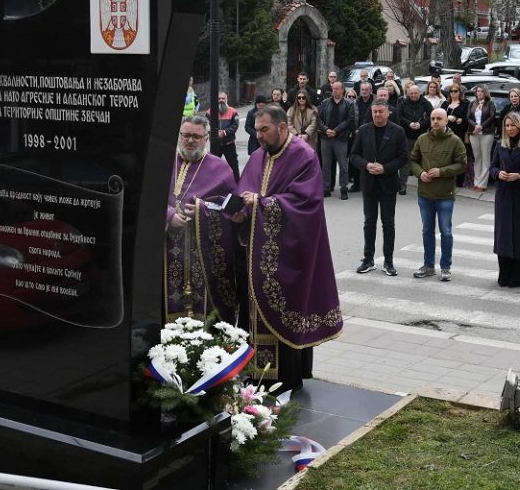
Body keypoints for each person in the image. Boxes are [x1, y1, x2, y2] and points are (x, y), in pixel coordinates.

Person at [235, 104, 343, 391]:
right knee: (254, 312)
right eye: (256, 130)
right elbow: (244, 191)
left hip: (289, 253)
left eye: (264, 130)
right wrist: (240, 211)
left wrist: (261, 204)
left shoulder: (304, 156)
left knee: (287, 309)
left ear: (282, 128)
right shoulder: (258, 156)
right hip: (257, 253)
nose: (259, 136)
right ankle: (257, 374)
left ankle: (286, 378)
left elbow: (305, 203)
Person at [166, 115, 239, 322]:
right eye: (185, 135)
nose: (190, 140)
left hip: (203, 253)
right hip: (166, 248)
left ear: (206, 138)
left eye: (196, 137)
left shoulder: (220, 168)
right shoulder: (164, 162)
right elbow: (147, 195)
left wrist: (201, 211)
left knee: (204, 311)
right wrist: (169, 215)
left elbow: (231, 209)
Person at [349, 99, 408, 276]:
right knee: (369, 222)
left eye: (381, 111)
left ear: (388, 112)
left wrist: (385, 168)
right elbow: (353, 155)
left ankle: (388, 261)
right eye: (375, 112)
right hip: (368, 183)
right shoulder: (363, 130)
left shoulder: (398, 131)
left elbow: (403, 157)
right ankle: (368, 259)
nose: (377, 115)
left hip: (388, 183)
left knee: (388, 223)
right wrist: (366, 165)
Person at [410, 108, 467, 282]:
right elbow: (413, 160)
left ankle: (445, 267)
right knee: (427, 231)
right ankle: (428, 266)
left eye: (439, 118)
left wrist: (442, 172)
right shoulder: (422, 139)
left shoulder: (455, 141)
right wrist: (420, 173)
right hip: (425, 194)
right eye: (433, 118)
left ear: (446, 121)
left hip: (445, 194)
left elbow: (462, 165)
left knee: (446, 232)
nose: (435, 121)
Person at [489, 112, 520, 288]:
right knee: (503, 234)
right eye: (507, 126)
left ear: (519, 126)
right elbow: (492, 167)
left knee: (519, 234)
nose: (509, 128)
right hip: (503, 194)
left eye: (512, 125)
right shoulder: (500, 144)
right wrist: (498, 173)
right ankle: (504, 274)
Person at [317, 81, 355, 199]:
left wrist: (336, 131)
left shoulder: (348, 104)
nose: (334, 90)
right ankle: (326, 188)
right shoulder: (325, 103)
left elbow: (349, 120)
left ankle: (344, 188)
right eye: (333, 88)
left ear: (342, 90)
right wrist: (326, 129)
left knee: (343, 165)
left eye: (337, 88)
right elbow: (319, 119)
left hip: (341, 139)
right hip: (326, 138)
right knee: (326, 165)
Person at [397, 84, 433, 195]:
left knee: (424, 162)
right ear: (408, 93)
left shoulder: (426, 103)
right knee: (405, 162)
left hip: (423, 137)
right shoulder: (403, 103)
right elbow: (399, 117)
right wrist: (409, 123)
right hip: (407, 136)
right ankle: (402, 186)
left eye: (415, 93)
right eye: (411, 93)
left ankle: (425, 185)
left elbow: (431, 117)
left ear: (419, 93)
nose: (413, 95)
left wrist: (421, 124)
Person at [466, 84, 497, 191]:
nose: (479, 93)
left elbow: (492, 116)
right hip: (474, 133)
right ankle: (476, 182)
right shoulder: (472, 103)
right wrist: (475, 125)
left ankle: (482, 184)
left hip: (487, 133)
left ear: (486, 93)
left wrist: (481, 126)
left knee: (485, 158)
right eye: (478, 91)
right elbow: (468, 117)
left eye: (482, 91)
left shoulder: (490, 103)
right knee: (477, 157)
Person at [206, 92, 240, 182]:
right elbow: (206, 125)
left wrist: (224, 132)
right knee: (213, 167)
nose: (221, 100)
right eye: (219, 99)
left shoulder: (233, 111)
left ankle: (237, 185)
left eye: (223, 98)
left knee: (233, 166)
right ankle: (212, 184)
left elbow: (235, 126)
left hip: (229, 144)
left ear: (226, 99)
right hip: (215, 144)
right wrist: (214, 133)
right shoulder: (209, 112)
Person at [442, 84, 471, 188]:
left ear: (460, 92)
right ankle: (447, 178)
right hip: (446, 133)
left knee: (459, 156)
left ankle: (459, 181)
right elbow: (439, 115)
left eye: (455, 91)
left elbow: (468, 117)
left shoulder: (465, 103)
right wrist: (447, 117)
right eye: (451, 91)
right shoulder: (445, 103)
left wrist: (461, 119)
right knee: (446, 156)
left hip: (459, 133)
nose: (453, 93)